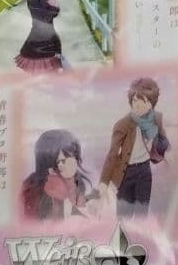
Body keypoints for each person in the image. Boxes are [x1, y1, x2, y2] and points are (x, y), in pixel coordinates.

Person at [99, 78, 170, 218]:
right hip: (126, 173)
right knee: (123, 217)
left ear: (151, 103)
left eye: (142, 101)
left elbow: (163, 141)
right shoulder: (123, 124)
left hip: (144, 172)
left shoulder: (156, 119)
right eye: (134, 100)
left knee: (141, 217)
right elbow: (112, 154)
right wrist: (104, 183)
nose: (136, 105)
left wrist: (164, 153)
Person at [22, 129, 97, 220]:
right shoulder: (37, 192)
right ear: (50, 168)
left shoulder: (75, 181)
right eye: (61, 161)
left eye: (74, 155)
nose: (74, 162)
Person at [14, 0, 67, 73]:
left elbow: (51, 13)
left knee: (49, 71)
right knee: (46, 71)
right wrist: (51, 2)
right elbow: (49, 15)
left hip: (46, 39)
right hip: (41, 43)